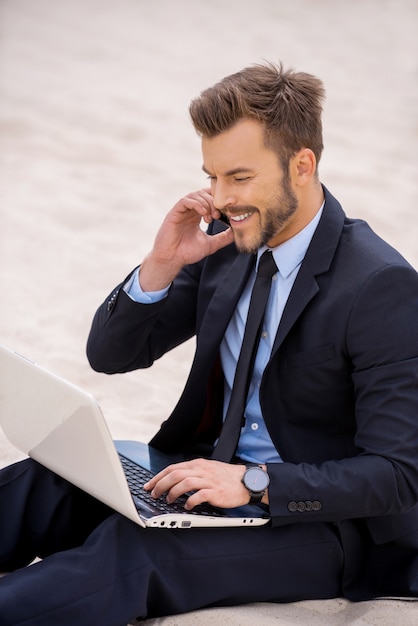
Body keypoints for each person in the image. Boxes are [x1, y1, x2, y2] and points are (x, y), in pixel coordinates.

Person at [0, 62, 417, 626]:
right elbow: (112, 355)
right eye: (212, 176)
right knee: (44, 481)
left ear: (302, 164)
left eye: (239, 177)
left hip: (320, 526)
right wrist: (161, 265)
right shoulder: (227, 246)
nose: (220, 198)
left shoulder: (379, 285)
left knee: (138, 554)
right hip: (207, 477)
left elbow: (398, 473)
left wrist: (251, 481)